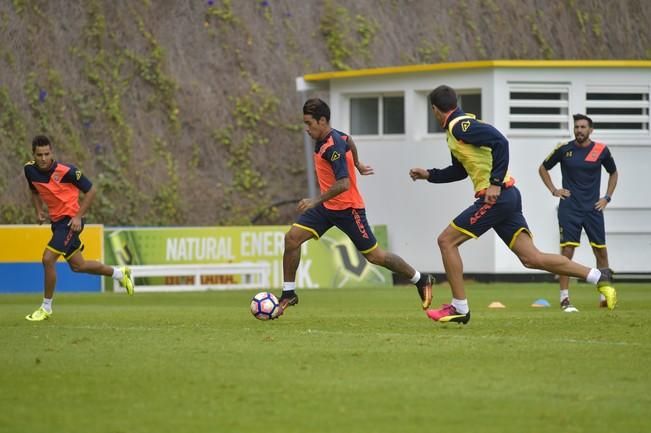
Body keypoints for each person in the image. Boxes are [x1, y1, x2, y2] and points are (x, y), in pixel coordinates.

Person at [409, 85, 616, 325]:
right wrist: (429, 174)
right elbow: (459, 171)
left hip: (497, 197)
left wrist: (495, 183)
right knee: (532, 258)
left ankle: (459, 307)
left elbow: (501, 142)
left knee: (446, 241)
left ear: (435, 109)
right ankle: (598, 276)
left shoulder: (460, 125)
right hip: (506, 197)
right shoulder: (455, 131)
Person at [277, 98, 432, 314]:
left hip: (349, 210)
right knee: (292, 238)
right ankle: (288, 293)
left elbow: (343, 183)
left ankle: (420, 279)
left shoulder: (333, 148)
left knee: (376, 256)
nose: (307, 128)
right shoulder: (331, 137)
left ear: (322, 121)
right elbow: (348, 139)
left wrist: (314, 201)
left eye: (309, 123)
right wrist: (357, 163)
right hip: (327, 208)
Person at [23, 135, 135, 321]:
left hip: (71, 221)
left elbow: (91, 190)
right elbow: (34, 190)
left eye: (47, 154)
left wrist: (78, 216)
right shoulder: (29, 170)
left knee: (48, 259)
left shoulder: (67, 171)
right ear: (33, 154)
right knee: (79, 266)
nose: (43, 158)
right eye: (39, 155)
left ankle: (46, 308)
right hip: (57, 223)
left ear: (52, 152)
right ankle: (119, 273)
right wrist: (38, 211)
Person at [538, 114, 618, 312]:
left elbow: (613, 173)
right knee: (567, 252)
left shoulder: (601, 150)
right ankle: (565, 299)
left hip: (593, 208)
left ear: (591, 130)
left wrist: (606, 197)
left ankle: (604, 296)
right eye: (576, 127)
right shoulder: (564, 149)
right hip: (570, 208)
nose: (579, 130)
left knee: (600, 250)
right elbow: (543, 168)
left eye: (583, 127)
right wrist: (554, 190)